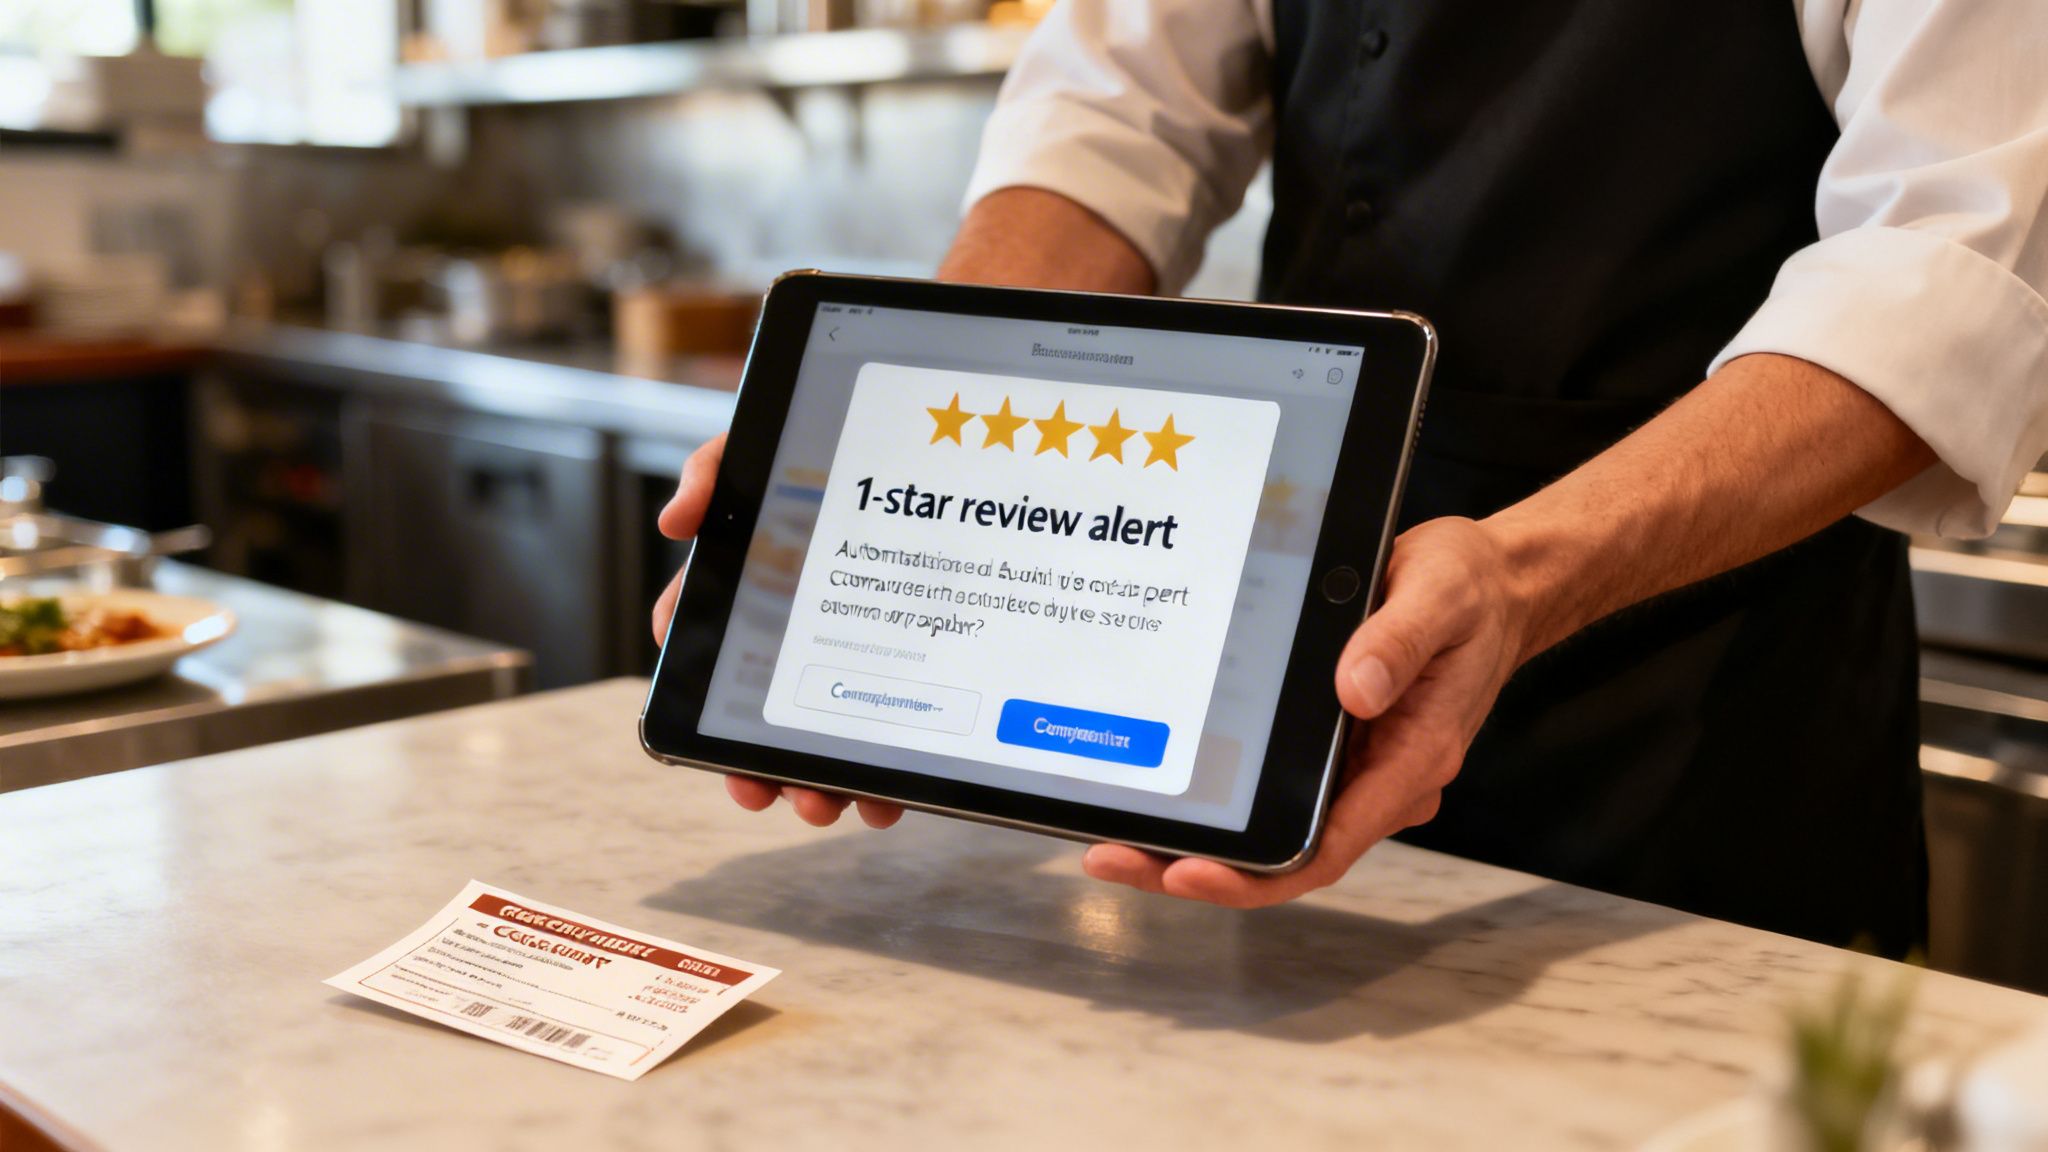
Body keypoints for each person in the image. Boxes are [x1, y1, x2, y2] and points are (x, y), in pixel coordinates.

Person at [652, 0, 2048, 954]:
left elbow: (1941, 277)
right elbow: (1115, 112)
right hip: (1271, 708)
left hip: (1704, 739)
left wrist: (1515, 576)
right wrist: (913, 419)